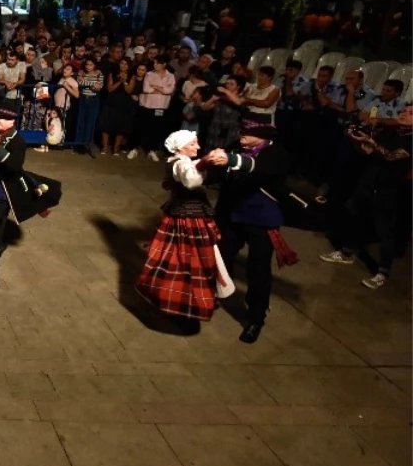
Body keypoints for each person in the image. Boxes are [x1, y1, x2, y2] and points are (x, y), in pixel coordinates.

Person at [205, 120, 301, 342]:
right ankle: (216, 296)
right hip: (230, 215)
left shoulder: (276, 153)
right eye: (242, 131)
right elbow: (218, 173)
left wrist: (230, 159)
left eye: (248, 132)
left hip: (260, 220)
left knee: (258, 270)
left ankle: (256, 318)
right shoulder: (236, 146)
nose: (242, 136)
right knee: (221, 258)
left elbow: (257, 167)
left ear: (263, 135)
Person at [135, 130, 232, 334]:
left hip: (191, 218)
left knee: (197, 262)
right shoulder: (180, 163)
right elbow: (191, 180)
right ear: (180, 147)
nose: (197, 147)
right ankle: (184, 307)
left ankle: (188, 303)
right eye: (193, 144)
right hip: (187, 222)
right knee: (188, 264)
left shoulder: (183, 161)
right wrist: (205, 160)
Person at [319, 104, 413, 290]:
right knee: (355, 216)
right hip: (369, 181)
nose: (404, 114)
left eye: (410, 113)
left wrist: (373, 143)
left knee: (384, 231)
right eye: (404, 111)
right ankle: (347, 252)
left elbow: (392, 156)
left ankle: (382, 272)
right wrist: (356, 140)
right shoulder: (392, 132)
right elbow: (369, 151)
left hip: (390, 188)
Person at [0, 99, 63, 288]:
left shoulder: (18, 141)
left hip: (1, 194)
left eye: (2, 118)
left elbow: (14, 167)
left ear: (12, 121)